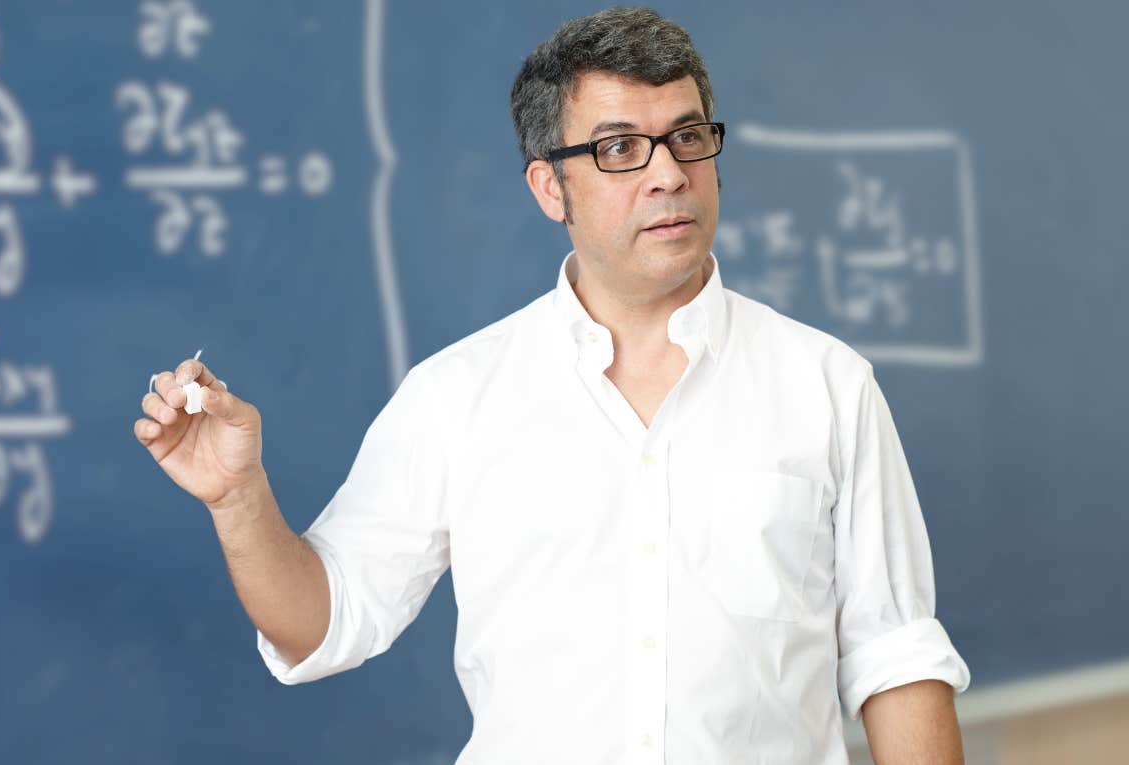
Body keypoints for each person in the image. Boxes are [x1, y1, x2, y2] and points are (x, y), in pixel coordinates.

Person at [134, 7, 970, 763]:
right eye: (617, 149)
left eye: (686, 136)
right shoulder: (457, 395)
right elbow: (326, 618)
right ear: (549, 187)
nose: (668, 174)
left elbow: (895, 657)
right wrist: (237, 498)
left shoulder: (825, 384)